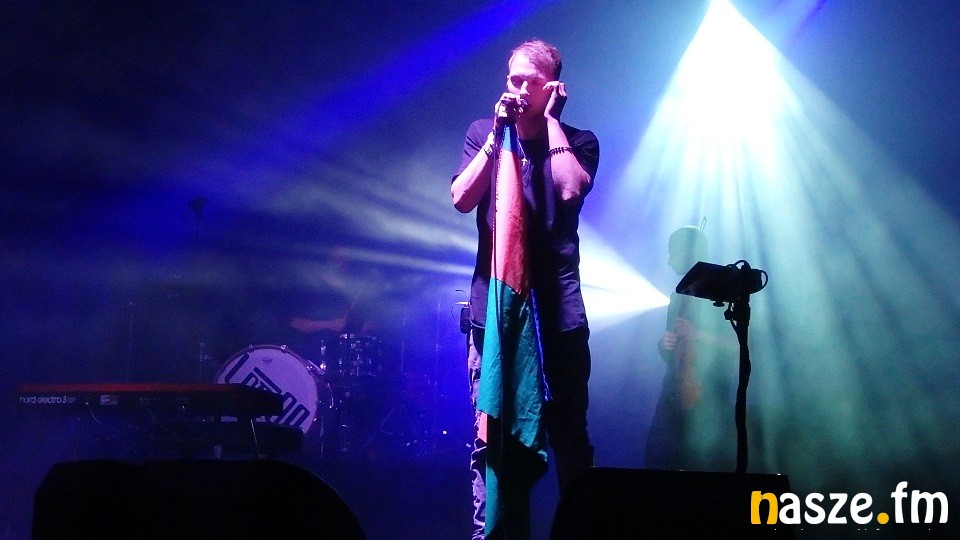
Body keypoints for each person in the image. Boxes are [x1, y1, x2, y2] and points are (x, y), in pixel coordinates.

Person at [451, 39, 599, 539]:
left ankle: (578, 530)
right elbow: (461, 197)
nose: (516, 88)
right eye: (511, 78)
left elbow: (570, 189)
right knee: (490, 431)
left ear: (552, 87)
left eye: (528, 82)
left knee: (569, 432)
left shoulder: (579, 140)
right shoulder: (483, 131)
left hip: (558, 311)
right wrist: (498, 134)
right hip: (494, 308)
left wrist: (551, 121)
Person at [645, 226, 736, 471]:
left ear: (688, 251)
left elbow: (741, 347)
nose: (669, 260)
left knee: (702, 466)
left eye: (673, 252)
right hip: (672, 395)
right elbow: (674, 351)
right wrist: (664, 345)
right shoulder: (678, 297)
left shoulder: (723, 292)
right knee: (658, 460)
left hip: (709, 397)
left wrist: (697, 335)